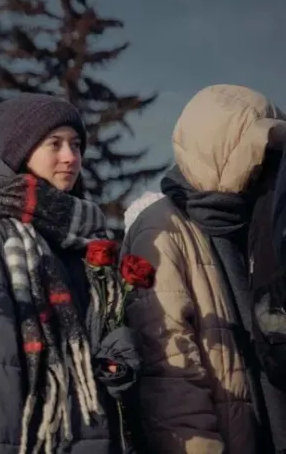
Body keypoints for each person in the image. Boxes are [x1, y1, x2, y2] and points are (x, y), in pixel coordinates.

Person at [0, 94, 132, 454]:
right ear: (22, 151)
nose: (70, 157)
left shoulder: (84, 236)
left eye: (76, 145)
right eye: (54, 144)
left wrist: (120, 353)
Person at [122, 84, 286, 453]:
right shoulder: (162, 229)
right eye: (260, 151)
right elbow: (170, 370)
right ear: (218, 149)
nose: (268, 166)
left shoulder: (263, 220)